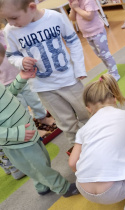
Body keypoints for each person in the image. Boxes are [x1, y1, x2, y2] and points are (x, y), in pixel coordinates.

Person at [0, 0, 90, 144]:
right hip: (43, 87)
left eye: (14, 18)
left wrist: (79, 67)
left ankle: (99, 138)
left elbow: (73, 41)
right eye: (6, 19)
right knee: (66, 122)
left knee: (86, 112)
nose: (10, 23)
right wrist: (21, 62)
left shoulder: (55, 17)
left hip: (69, 79)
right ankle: (79, 146)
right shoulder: (10, 31)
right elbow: (12, 55)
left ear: (32, 7)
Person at [69, 74, 125, 210]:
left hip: (83, 188)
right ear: (114, 99)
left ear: (88, 108)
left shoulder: (83, 129)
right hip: (113, 192)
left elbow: (72, 163)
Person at [0, 43, 79, 197]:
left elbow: (7, 96)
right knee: (38, 166)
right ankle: (62, 188)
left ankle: (41, 184)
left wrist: (20, 79)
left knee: (40, 160)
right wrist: (18, 134)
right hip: (16, 139)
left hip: (26, 130)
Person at [68, 0, 121, 81]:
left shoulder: (88, 1)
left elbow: (90, 16)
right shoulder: (74, 2)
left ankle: (115, 74)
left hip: (97, 32)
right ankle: (110, 71)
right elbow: (72, 18)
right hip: (87, 34)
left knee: (105, 54)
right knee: (99, 54)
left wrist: (77, 8)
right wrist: (73, 7)